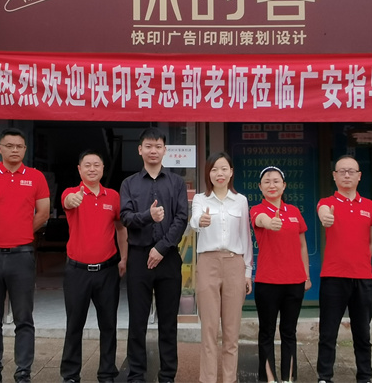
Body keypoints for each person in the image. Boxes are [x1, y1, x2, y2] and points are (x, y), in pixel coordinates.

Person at [0, 128, 50, 383]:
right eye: (9, 145)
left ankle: (23, 372)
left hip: (21, 256)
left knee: (23, 319)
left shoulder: (36, 177)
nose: (14, 150)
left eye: (19, 146)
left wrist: (21, 232)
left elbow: (43, 212)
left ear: (25, 150)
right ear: (0, 149)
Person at [120, 127, 188, 383]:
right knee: (137, 320)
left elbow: (182, 218)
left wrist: (161, 248)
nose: (153, 151)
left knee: (168, 322)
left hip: (167, 257)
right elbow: (126, 217)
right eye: (148, 146)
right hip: (139, 257)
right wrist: (148, 216)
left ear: (165, 150)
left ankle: (167, 375)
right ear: (140, 150)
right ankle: (136, 374)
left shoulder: (177, 182)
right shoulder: (129, 184)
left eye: (158, 146)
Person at [60, 150, 128, 383]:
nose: (92, 169)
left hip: (107, 271)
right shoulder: (71, 193)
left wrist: (124, 258)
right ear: (79, 169)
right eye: (87, 165)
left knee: (108, 324)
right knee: (74, 325)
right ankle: (70, 375)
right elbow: (67, 202)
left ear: (103, 169)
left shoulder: (113, 197)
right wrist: (73, 200)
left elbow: (121, 229)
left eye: (96, 165)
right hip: (77, 272)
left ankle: (107, 372)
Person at [190, 152, 253, 383]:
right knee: (208, 329)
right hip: (208, 263)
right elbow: (194, 220)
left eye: (224, 169)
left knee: (231, 330)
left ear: (231, 172)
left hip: (235, 264)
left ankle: (229, 379)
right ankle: (207, 379)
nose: (219, 173)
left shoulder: (241, 200)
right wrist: (200, 221)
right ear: (208, 173)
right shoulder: (200, 199)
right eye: (214, 169)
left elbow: (245, 237)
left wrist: (248, 271)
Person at [316, 156, 372, 383]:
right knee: (328, 332)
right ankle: (325, 376)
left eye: (351, 171)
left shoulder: (370, 206)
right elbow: (323, 213)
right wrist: (326, 218)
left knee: (362, 332)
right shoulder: (326, 202)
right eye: (341, 171)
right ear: (334, 175)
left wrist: (358, 259)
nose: (346, 175)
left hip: (362, 277)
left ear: (359, 176)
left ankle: (365, 376)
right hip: (333, 276)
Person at [250, 166, 312, 383]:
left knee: (289, 332)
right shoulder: (257, 209)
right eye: (267, 182)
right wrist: (270, 222)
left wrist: (306, 275)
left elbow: (302, 245)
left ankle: (288, 378)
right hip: (268, 282)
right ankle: (268, 379)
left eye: (276, 181)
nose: (272, 185)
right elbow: (260, 220)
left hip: (294, 281)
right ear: (260, 187)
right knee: (266, 332)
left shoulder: (294, 212)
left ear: (284, 185)